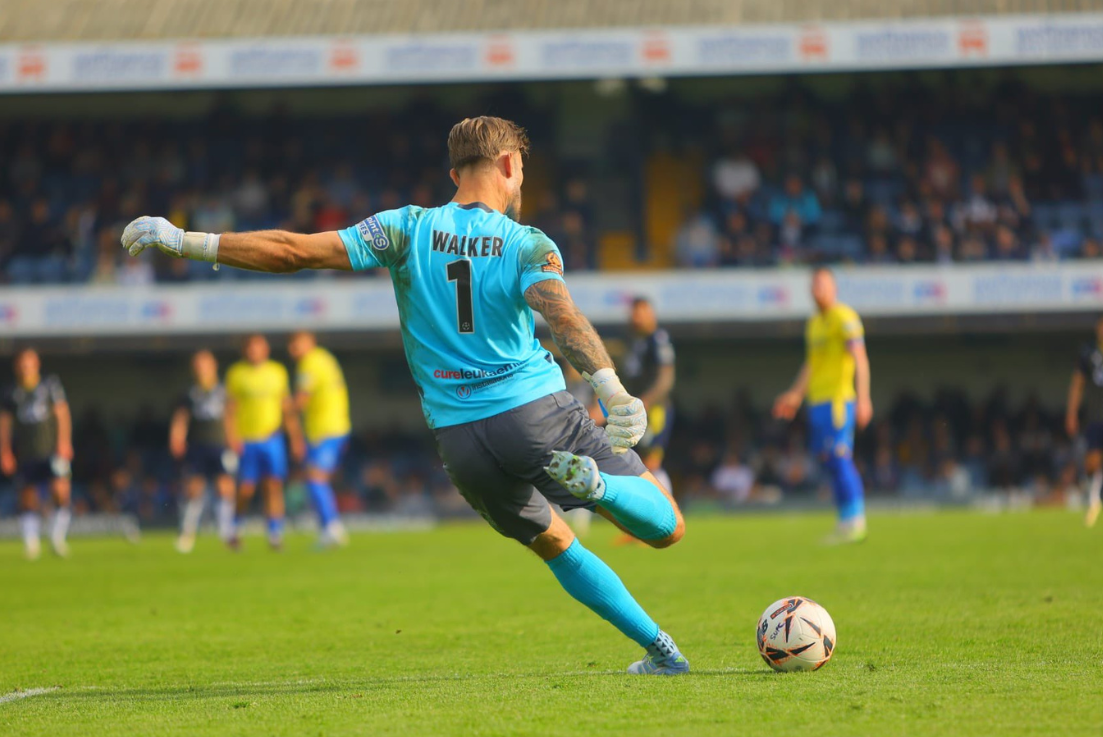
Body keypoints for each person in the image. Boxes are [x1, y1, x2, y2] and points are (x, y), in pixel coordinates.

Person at [121, 116, 689, 675]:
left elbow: (295, 252)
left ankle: (661, 650)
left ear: (453, 173)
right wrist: (613, 390)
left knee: (556, 544)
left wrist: (184, 239)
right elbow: (560, 313)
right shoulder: (526, 242)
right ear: (509, 165)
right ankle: (599, 487)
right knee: (666, 525)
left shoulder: (405, 227)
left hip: (461, 442)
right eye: (520, 175)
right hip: (535, 415)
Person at [773, 268, 873, 544]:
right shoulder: (814, 324)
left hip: (840, 400)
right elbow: (811, 364)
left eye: (823, 285)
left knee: (840, 457)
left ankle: (856, 519)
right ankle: (845, 520)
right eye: (814, 285)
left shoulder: (845, 317)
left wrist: (864, 398)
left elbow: (860, 359)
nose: (817, 290)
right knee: (828, 460)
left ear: (834, 288)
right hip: (817, 403)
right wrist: (795, 394)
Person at [224, 334, 304, 550]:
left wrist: (295, 438)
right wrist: (231, 437)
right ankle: (234, 530)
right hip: (247, 440)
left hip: (272, 439)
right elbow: (230, 410)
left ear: (265, 350)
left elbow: (286, 408)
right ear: (245, 351)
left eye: (258, 348)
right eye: (251, 348)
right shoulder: (237, 373)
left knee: (273, 486)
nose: (254, 352)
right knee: (246, 489)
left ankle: (275, 535)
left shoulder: (277, 372)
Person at [0, 349, 73, 559]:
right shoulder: (11, 392)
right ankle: (31, 544)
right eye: (22, 364)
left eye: (29, 363)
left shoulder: (50, 385)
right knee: (28, 496)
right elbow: (4, 424)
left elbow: (62, 413)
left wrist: (64, 442)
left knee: (60, 490)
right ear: (17, 367)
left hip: (52, 449)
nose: (26, 368)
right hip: (26, 452)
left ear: (37, 364)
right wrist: (5, 451)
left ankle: (57, 538)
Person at [287, 331, 351, 548]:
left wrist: (284, 411)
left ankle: (332, 529)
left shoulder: (310, 362)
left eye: (297, 343)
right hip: (327, 428)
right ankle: (330, 526)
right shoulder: (323, 357)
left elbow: (301, 400)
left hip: (328, 429)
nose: (293, 349)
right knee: (314, 478)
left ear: (310, 342)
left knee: (315, 478)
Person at [169, 349, 236, 553]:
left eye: (205, 364)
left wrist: (234, 439)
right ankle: (187, 533)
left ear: (214, 365)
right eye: (198, 365)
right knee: (193, 489)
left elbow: (230, 417)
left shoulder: (223, 391)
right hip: (197, 445)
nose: (201, 369)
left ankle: (227, 534)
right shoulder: (189, 392)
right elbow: (181, 418)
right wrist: (176, 438)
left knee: (224, 487)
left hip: (219, 445)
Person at [621, 297, 676, 485]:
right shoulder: (631, 341)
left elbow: (666, 376)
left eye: (641, 313)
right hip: (633, 409)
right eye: (634, 313)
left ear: (651, 314)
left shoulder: (657, 338)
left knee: (651, 462)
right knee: (636, 461)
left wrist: (647, 400)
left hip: (654, 410)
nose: (637, 318)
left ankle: (666, 506)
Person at [1065, 316, 1103, 528]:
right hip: (1096, 417)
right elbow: (1077, 384)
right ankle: (1094, 497)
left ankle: (1094, 502)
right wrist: (1071, 413)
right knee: (1092, 463)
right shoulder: (1088, 353)